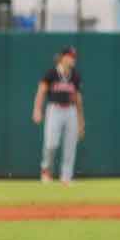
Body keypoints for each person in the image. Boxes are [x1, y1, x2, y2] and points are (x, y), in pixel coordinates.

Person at [31, 46, 85, 184]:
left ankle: (66, 177)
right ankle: (46, 170)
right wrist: (37, 109)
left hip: (70, 111)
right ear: (63, 57)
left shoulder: (75, 75)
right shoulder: (51, 73)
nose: (73, 59)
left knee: (70, 145)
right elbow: (41, 91)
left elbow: (78, 99)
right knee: (51, 143)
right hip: (54, 109)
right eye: (70, 56)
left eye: (74, 57)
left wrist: (81, 122)